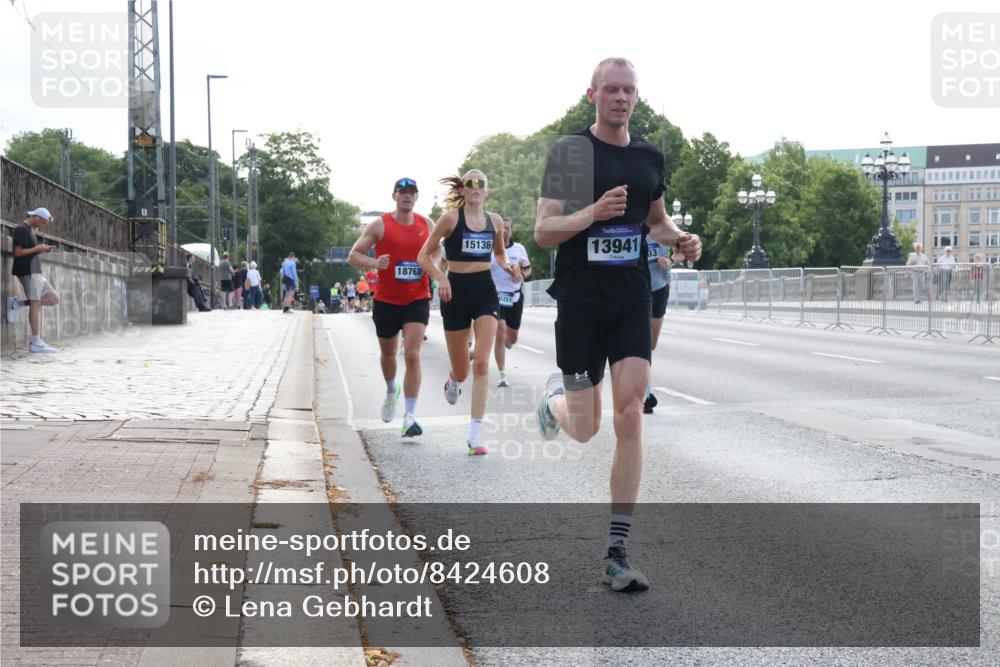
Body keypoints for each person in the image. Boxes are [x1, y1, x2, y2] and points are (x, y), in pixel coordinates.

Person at [533, 58, 702, 592]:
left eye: (629, 90)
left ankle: (617, 549)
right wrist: (591, 215)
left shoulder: (649, 155)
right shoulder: (570, 153)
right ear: (593, 95)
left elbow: (656, 221)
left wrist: (680, 239)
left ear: (636, 96)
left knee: (630, 413)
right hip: (581, 302)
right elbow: (543, 231)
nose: (621, 98)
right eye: (611, 89)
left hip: (631, 297)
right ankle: (554, 403)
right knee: (585, 428)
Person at [418, 170, 512, 455]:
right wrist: (441, 277)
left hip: (485, 292)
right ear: (461, 190)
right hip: (455, 292)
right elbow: (423, 256)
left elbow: (498, 254)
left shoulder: (494, 221)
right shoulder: (450, 219)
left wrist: (508, 266)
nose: (474, 187)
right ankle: (454, 378)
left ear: (487, 191)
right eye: (469, 183)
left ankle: (474, 434)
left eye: (480, 183)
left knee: (482, 363)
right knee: (463, 368)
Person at [349, 177, 437, 437]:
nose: (407, 196)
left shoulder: (427, 224)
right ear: (394, 196)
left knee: (412, 354)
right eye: (402, 192)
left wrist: (435, 266)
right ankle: (391, 390)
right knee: (388, 355)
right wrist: (375, 263)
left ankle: (409, 416)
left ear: (417, 197)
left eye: (411, 193)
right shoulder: (380, 225)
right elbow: (353, 255)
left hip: (417, 299)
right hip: (387, 301)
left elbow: (438, 251)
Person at [8, 207, 61, 352]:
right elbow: (18, 253)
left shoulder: (31, 231)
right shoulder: (21, 229)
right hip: (27, 271)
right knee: (36, 304)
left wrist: (43, 248)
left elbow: (30, 250)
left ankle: (18, 303)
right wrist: (38, 249)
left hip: (35, 272)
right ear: (36, 217)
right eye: (43, 222)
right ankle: (36, 342)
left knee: (54, 298)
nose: (43, 226)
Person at [490, 217, 532, 387]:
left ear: (511, 231)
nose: (505, 231)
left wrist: (523, 274)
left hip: (514, 296)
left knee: (511, 339)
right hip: (495, 296)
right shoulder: (491, 251)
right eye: (502, 228)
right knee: (499, 332)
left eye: (507, 228)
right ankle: (502, 374)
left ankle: (509, 339)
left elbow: (528, 268)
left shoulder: (519, 249)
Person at [643, 240, 672, 413]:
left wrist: (671, 261)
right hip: (638, 289)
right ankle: (645, 392)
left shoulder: (662, 226)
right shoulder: (634, 224)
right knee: (643, 342)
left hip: (660, 288)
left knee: (651, 343)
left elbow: (680, 251)